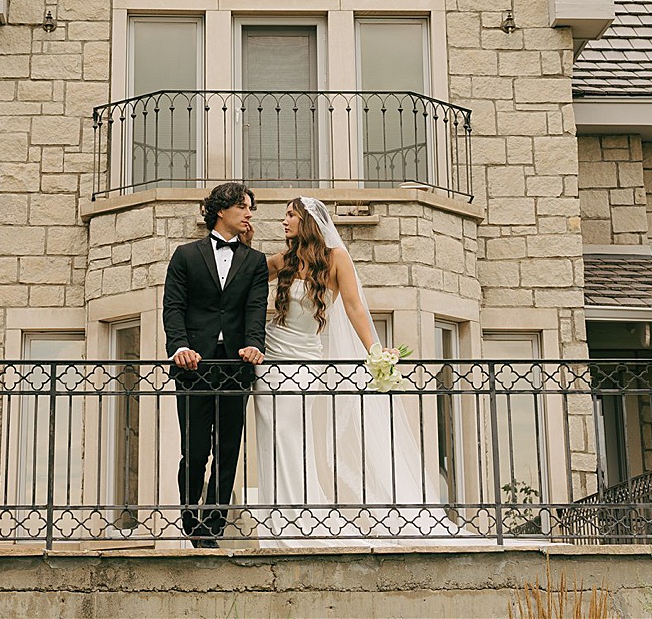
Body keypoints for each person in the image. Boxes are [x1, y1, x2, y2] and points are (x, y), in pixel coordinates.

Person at [250, 196, 446, 544]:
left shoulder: (336, 259)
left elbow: (354, 307)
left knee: (294, 438)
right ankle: (278, 522)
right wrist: (244, 243)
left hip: (303, 361)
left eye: (290, 215)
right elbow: (245, 273)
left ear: (308, 221)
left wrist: (374, 349)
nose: (284, 221)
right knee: (271, 439)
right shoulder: (285, 260)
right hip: (271, 360)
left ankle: (306, 518)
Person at [161, 181, 268, 547]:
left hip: (235, 365)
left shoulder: (254, 262)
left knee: (228, 450)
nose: (248, 214)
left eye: (250, 208)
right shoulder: (185, 255)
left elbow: (255, 309)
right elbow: (173, 307)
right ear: (221, 210)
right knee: (194, 449)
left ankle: (213, 527)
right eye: (243, 206)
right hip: (194, 365)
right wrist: (179, 348)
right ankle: (191, 520)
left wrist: (255, 344)